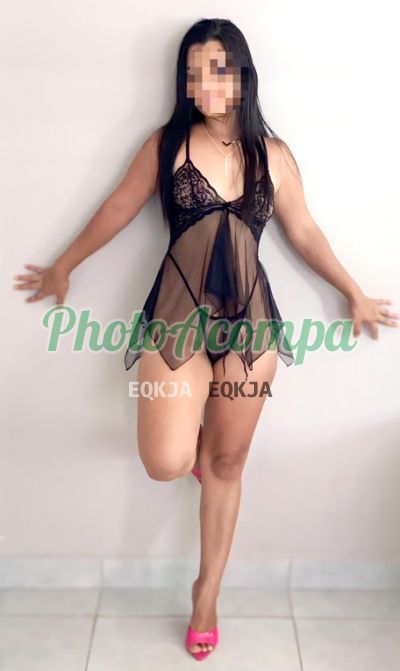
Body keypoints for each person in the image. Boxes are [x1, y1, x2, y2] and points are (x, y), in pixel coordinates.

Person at [13, 17, 399, 662]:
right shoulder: (166, 144)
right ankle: (200, 446)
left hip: (252, 326)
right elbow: (117, 208)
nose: (204, 84)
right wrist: (64, 265)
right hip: (179, 319)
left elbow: (304, 231)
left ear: (243, 74)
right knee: (166, 461)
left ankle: (206, 595)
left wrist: (352, 291)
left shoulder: (273, 155)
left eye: (217, 69)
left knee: (226, 466)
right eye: (192, 73)